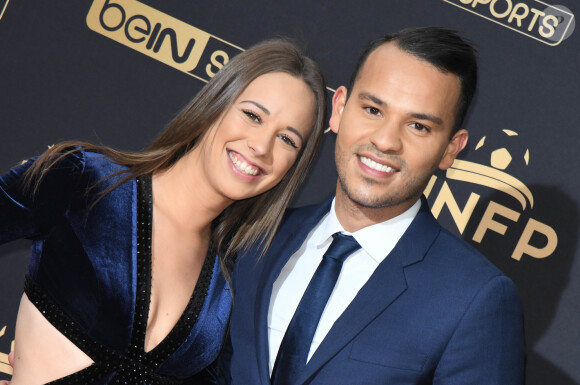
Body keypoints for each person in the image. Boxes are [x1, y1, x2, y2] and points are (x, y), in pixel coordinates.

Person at [0, 38, 326, 384]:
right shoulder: (85, 181)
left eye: (287, 139)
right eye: (252, 115)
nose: (261, 146)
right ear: (217, 103)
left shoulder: (228, 281)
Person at [223, 27, 525, 384]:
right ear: (338, 109)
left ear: (450, 150)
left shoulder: (475, 300)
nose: (385, 140)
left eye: (418, 126)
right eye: (372, 109)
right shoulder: (258, 236)